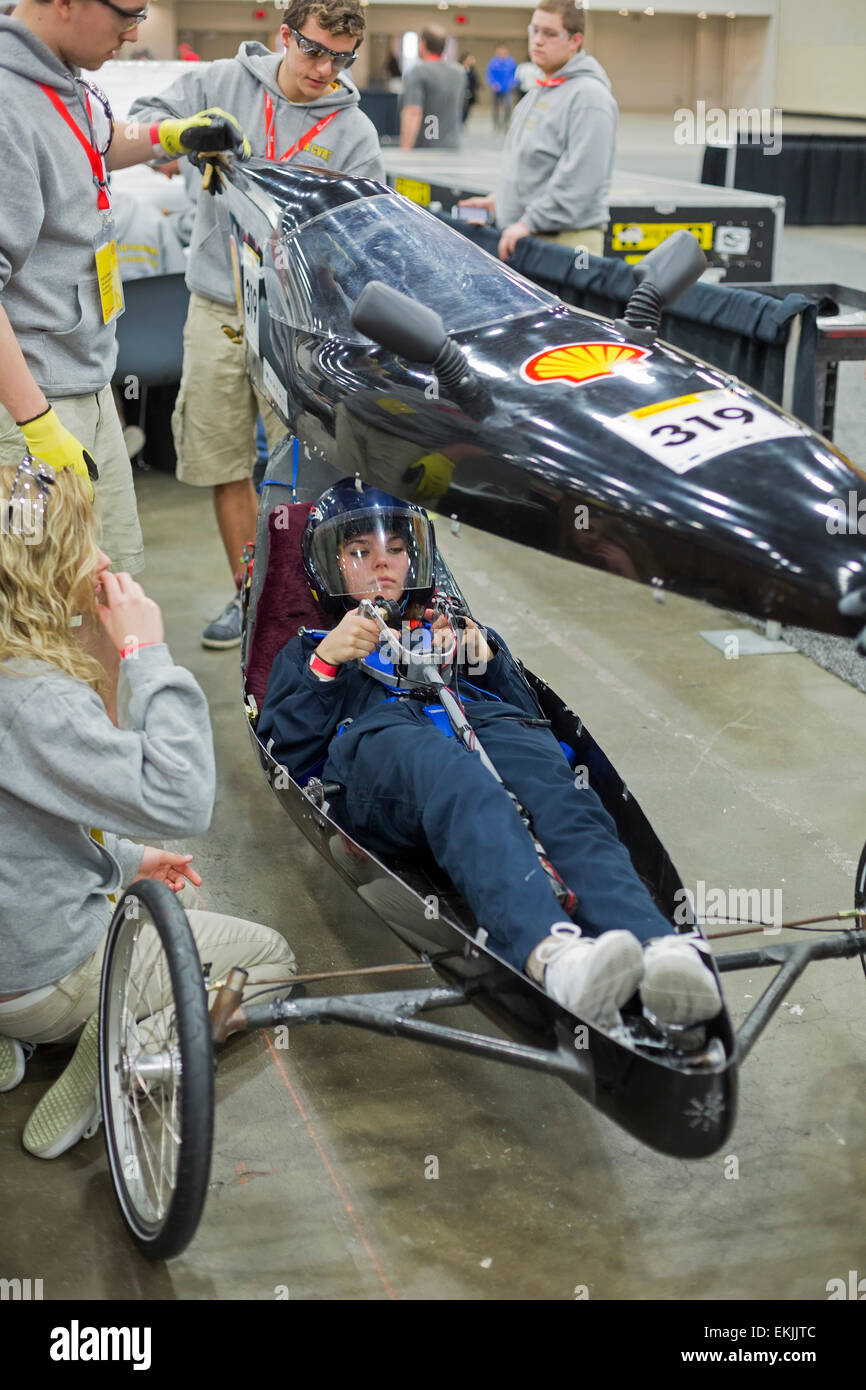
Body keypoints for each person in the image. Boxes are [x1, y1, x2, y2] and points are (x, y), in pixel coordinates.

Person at [258, 479, 723, 1031]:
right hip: (380, 748)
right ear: (328, 567)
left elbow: (534, 715)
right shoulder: (311, 645)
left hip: (482, 724)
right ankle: (555, 958)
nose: (382, 566)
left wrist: (488, 657)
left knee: (560, 788)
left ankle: (659, 948)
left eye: (396, 551)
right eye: (360, 553)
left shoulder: (450, 629)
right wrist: (327, 667)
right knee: (462, 785)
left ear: (417, 558)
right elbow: (284, 754)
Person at [0, 457, 295, 1157]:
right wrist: (145, 651)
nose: (102, 558)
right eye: (84, 540)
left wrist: (126, 859)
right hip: (40, 976)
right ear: (46, 564)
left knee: (170, 895)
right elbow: (181, 794)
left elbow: (21, 832)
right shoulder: (36, 696)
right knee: (269, 961)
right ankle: (115, 1056)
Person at [129, 0, 386, 649]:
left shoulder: (354, 132)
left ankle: (295, 605)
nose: (325, 70)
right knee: (224, 459)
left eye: (341, 58)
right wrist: (185, 139)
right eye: (314, 50)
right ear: (284, 35)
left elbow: (368, 237)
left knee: (303, 470)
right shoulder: (222, 84)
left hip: (300, 323)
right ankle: (250, 599)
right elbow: (144, 121)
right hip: (217, 304)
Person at [0, 0, 251, 574]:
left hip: (86, 379)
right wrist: (35, 425)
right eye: (127, 12)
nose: (136, 31)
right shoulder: (7, 105)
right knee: (43, 607)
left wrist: (172, 134)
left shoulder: (66, 83)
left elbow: (98, 141)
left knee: (111, 587)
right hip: (33, 403)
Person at [460, 3, 617, 263]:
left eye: (549, 33)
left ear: (575, 40)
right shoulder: (535, 94)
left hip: (564, 247)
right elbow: (535, 168)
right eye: (534, 31)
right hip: (527, 237)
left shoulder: (590, 97)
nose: (538, 41)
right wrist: (500, 201)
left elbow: (581, 181)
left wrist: (528, 222)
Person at [399, 25, 466, 152]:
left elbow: (413, 112)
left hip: (426, 150)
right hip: (452, 148)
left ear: (423, 44)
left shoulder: (419, 72)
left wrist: (405, 150)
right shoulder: (459, 72)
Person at [485, 43, 516, 132]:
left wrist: (512, 83)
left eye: (504, 50)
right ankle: (496, 125)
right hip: (497, 89)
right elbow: (489, 75)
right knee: (496, 107)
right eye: (500, 50)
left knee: (508, 106)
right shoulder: (493, 62)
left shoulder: (511, 62)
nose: (502, 52)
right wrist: (493, 84)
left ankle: (506, 124)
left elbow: (515, 75)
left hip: (508, 89)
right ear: (497, 51)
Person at [460, 52, 478, 125]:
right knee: (461, 108)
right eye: (470, 58)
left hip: (469, 93)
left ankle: (463, 122)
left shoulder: (472, 70)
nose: (472, 60)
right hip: (461, 92)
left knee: (467, 109)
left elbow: (475, 81)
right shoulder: (459, 68)